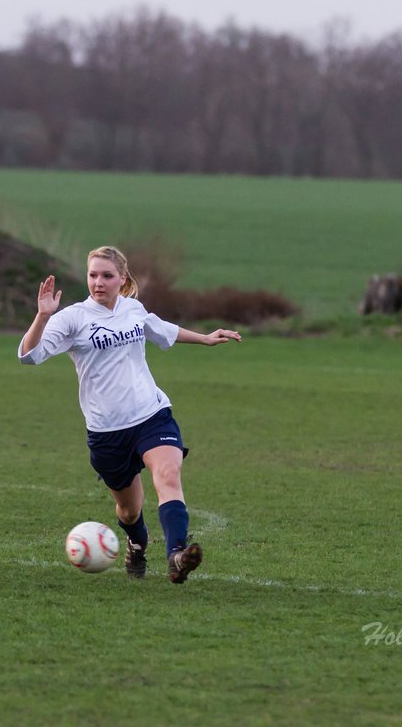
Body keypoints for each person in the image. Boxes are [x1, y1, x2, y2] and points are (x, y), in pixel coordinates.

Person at [18, 245, 242, 583]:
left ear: (122, 278)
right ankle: (137, 546)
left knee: (168, 476)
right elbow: (28, 356)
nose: (99, 282)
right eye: (93, 275)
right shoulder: (73, 318)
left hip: (151, 414)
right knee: (129, 510)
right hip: (107, 431)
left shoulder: (132, 308)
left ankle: (177, 556)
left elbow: (161, 329)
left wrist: (206, 339)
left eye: (107, 276)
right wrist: (43, 315)